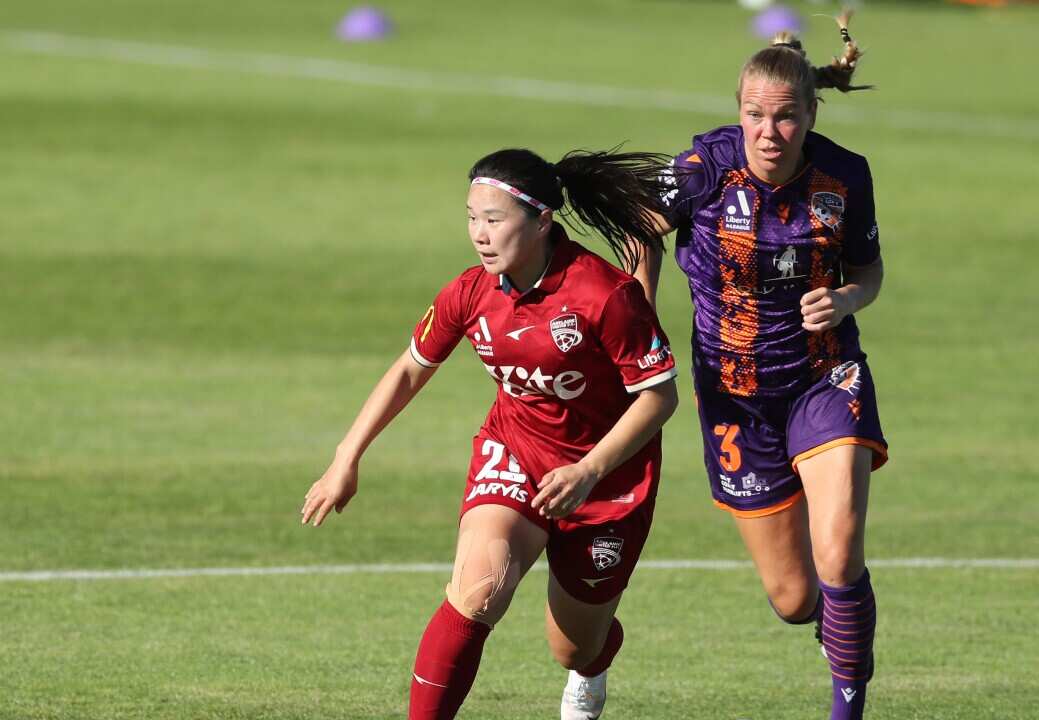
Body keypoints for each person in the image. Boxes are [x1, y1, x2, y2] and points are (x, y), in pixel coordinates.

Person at [300, 147, 679, 720]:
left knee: (574, 647)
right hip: (516, 450)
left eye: (494, 219)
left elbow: (659, 396)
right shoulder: (471, 291)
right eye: (472, 217)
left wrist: (588, 470)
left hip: (605, 478)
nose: (479, 233)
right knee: (477, 589)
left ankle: (593, 663)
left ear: (542, 221)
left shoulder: (603, 295)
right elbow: (409, 369)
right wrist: (345, 457)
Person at [633, 14, 885, 720]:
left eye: (785, 117)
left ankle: (848, 703)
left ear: (811, 115)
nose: (769, 132)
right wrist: (641, 315)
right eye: (754, 115)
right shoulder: (704, 168)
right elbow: (638, 223)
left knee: (839, 554)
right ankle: (838, 631)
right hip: (735, 396)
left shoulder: (846, 175)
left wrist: (845, 299)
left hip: (824, 378)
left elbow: (868, 271)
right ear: (738, 111)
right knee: (795, 598)